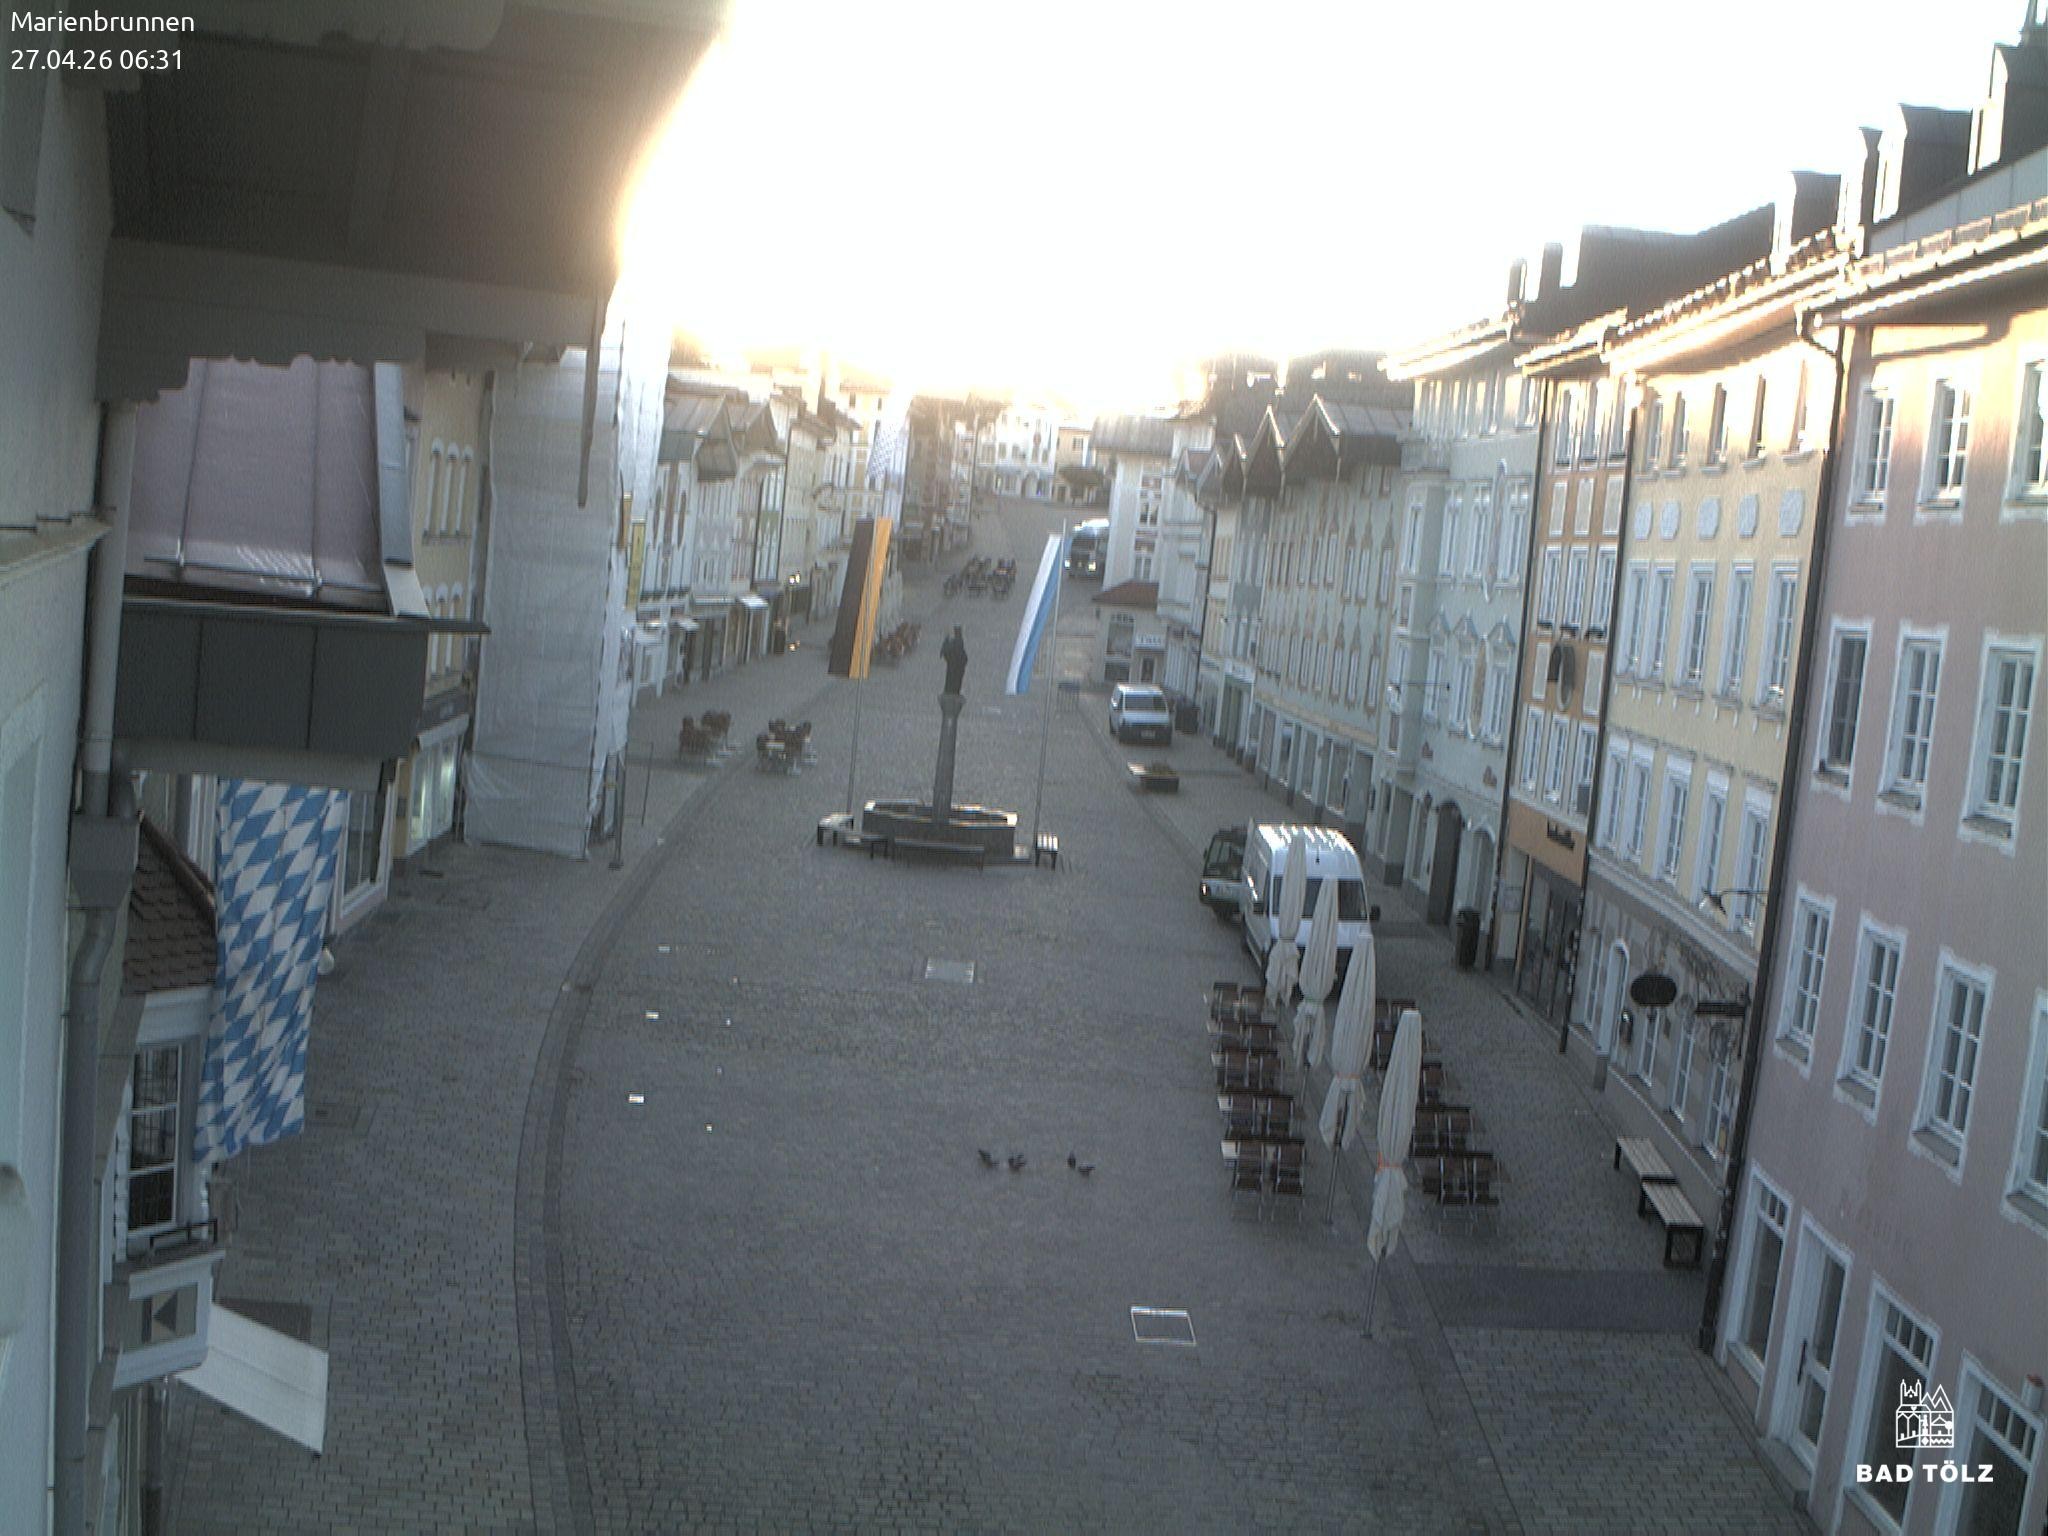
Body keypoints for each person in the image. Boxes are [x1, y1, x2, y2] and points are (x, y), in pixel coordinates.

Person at [940, 626, 968, 695]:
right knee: (953, 680)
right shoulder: (955, 642)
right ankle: (952, 691)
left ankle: (952, 691)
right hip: (955, 667)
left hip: (955, 667)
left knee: (953, 680)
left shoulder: (955, 642)